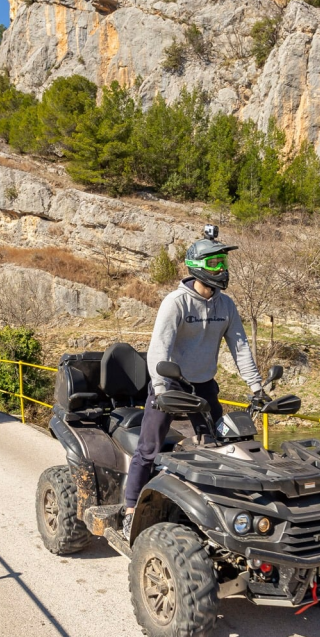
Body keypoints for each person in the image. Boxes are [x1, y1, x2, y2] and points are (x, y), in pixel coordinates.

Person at [123, 226, 268, 532]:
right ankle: (131, 507)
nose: (222, 269)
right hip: (170, 383)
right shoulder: (176, 302)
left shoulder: (226, 305)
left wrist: (257, 387)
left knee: (218, 447)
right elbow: (158, 348)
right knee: (149, 448)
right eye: (215, 264)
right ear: (197, 266)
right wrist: (160, 388)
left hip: (203, 385)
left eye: (223, 263)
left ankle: (213, 512)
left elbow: (240, 346)